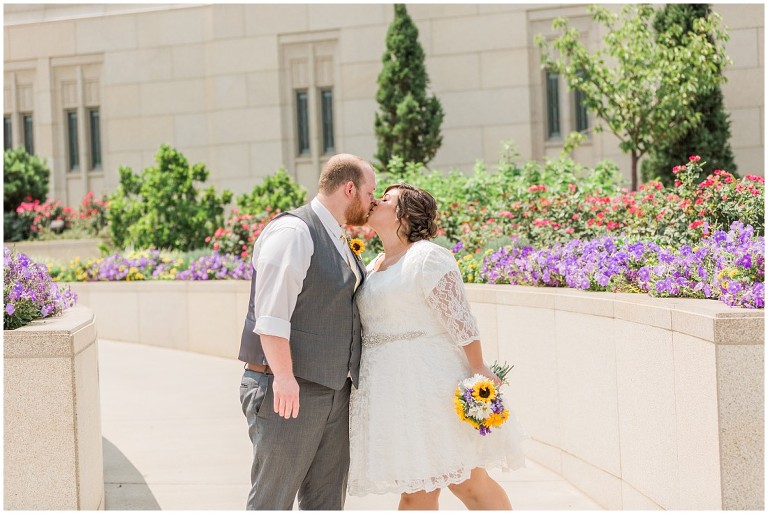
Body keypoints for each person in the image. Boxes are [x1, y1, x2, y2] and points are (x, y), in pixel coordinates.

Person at [348, 184, 526, 510]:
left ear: (404, 215)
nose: (375, 201)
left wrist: (478, 370)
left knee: (464, 484)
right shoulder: (373, 265)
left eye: (385, 199)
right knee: (424, 488)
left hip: (429, 386)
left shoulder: (427, 257)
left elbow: (461, 319)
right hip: (390, 392)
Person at [238, 153, 378, 510]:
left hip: (333, 390)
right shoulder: (294, 233)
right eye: (370, 192)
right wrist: (285, 378)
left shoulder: (336, 235)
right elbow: (270, 317)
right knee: (272, 501)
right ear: (350, 189)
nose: (373, 201)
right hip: (288, 390)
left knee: (326, 502)